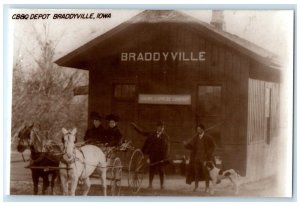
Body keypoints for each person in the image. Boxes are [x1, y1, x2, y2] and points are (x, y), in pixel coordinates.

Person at [131, 120, 170, 189]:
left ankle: (162, 185)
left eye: (162, 127)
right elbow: (142, 132)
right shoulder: (152, 134)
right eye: (159, 127)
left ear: (163, 128)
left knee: (161, 170)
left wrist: (165, 158)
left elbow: (167, 148)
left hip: (161, 156)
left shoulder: (166, 137)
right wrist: (135, 127)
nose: (161, 128)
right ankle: (150, 184)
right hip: (152, 155)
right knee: (151, 169)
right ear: (157, 127)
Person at [183, 123, 216, 192]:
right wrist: (185, 145)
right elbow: (190, 147)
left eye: (199, 129)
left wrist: (208, 154)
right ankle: (196, 187)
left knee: (206, 173)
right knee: (196, 173)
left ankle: (207, 187)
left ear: (203, 130)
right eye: (197, 129)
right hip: (196, 158)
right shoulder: (195, 138)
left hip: (205, 159)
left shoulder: (208, 138)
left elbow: (213, 147)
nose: (198, 130)